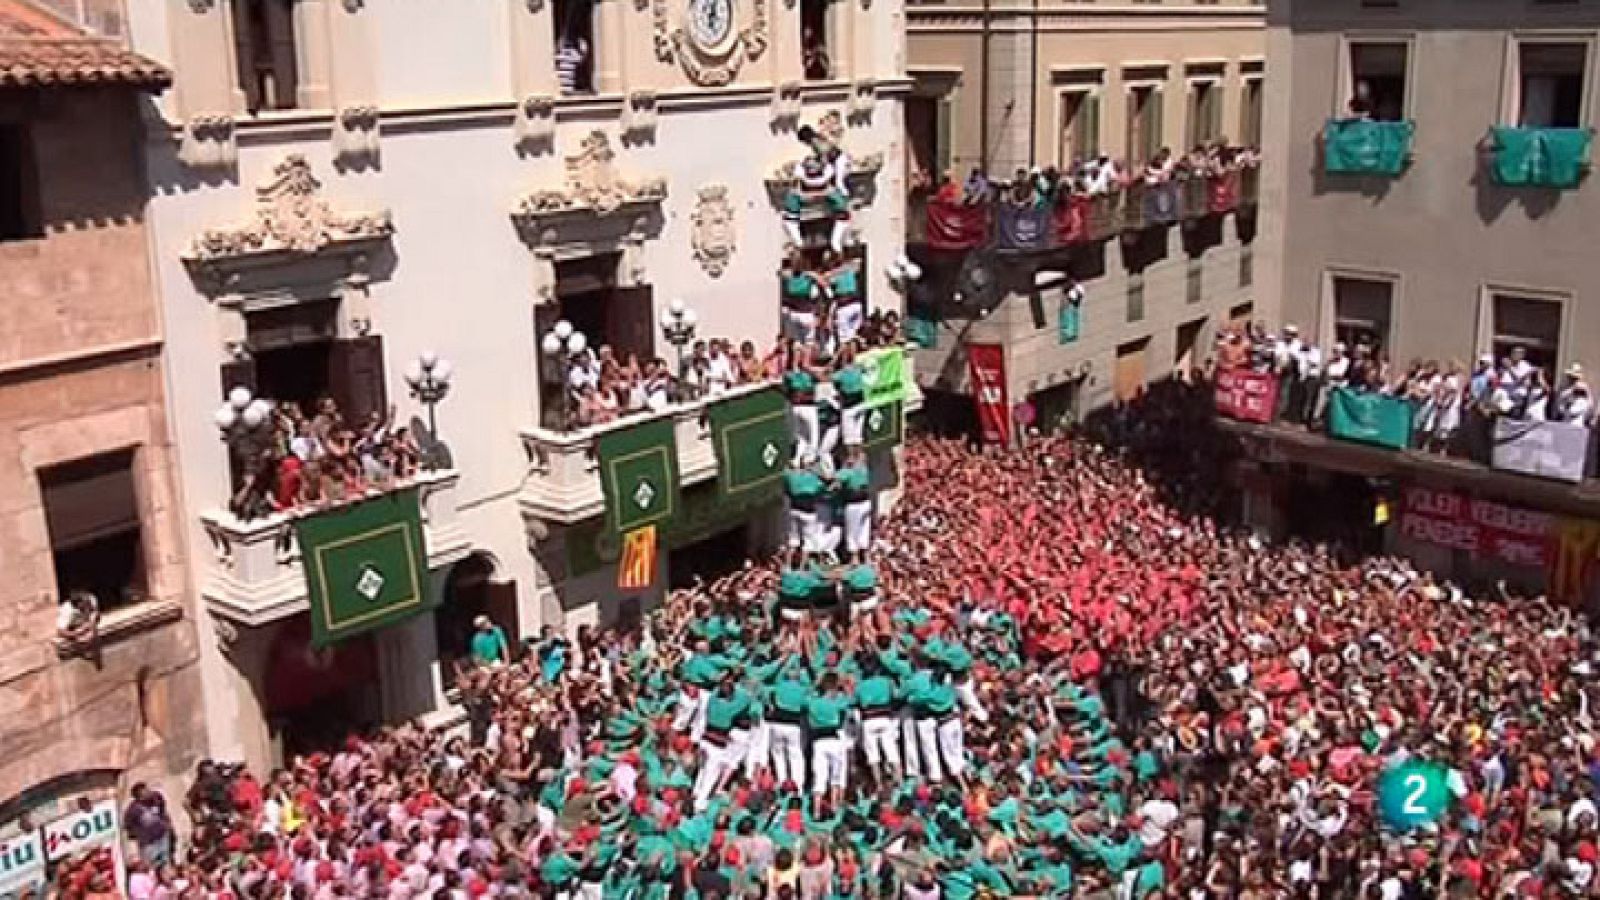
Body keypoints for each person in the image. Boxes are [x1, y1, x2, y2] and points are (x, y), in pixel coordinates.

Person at [123, 783, 174, 868]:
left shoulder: (156, 798)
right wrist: (139, 835)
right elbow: (128, 826)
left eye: (147, 790)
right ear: (139, 796)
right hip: (148, 844)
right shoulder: (132, 810)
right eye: (145, 792)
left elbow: (163, 810)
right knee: (152, 866)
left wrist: (167, 824)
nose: (148, 792)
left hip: (162, 836)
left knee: (166, 863)